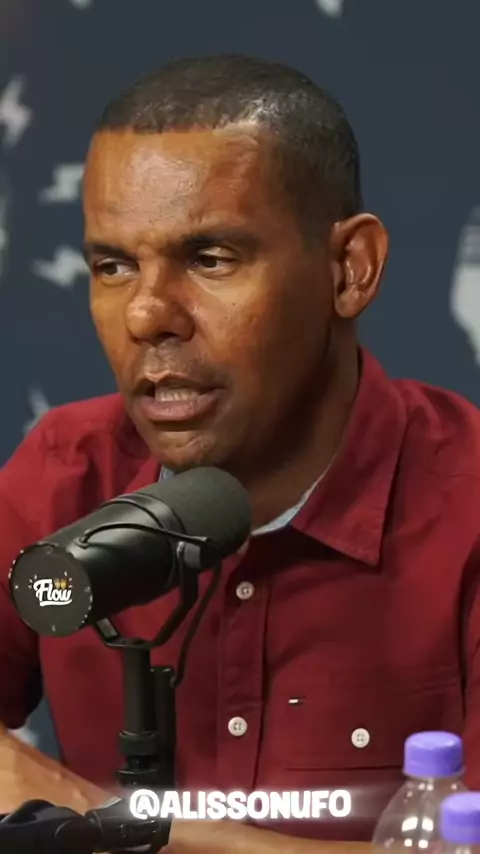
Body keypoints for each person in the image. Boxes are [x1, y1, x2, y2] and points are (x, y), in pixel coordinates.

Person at [1, 53, 480, 850]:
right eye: (113, 266)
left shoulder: (467, 502)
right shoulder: (63, 471)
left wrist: (106, 821)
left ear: (349, 270)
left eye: (210, 258)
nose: (147, 315)